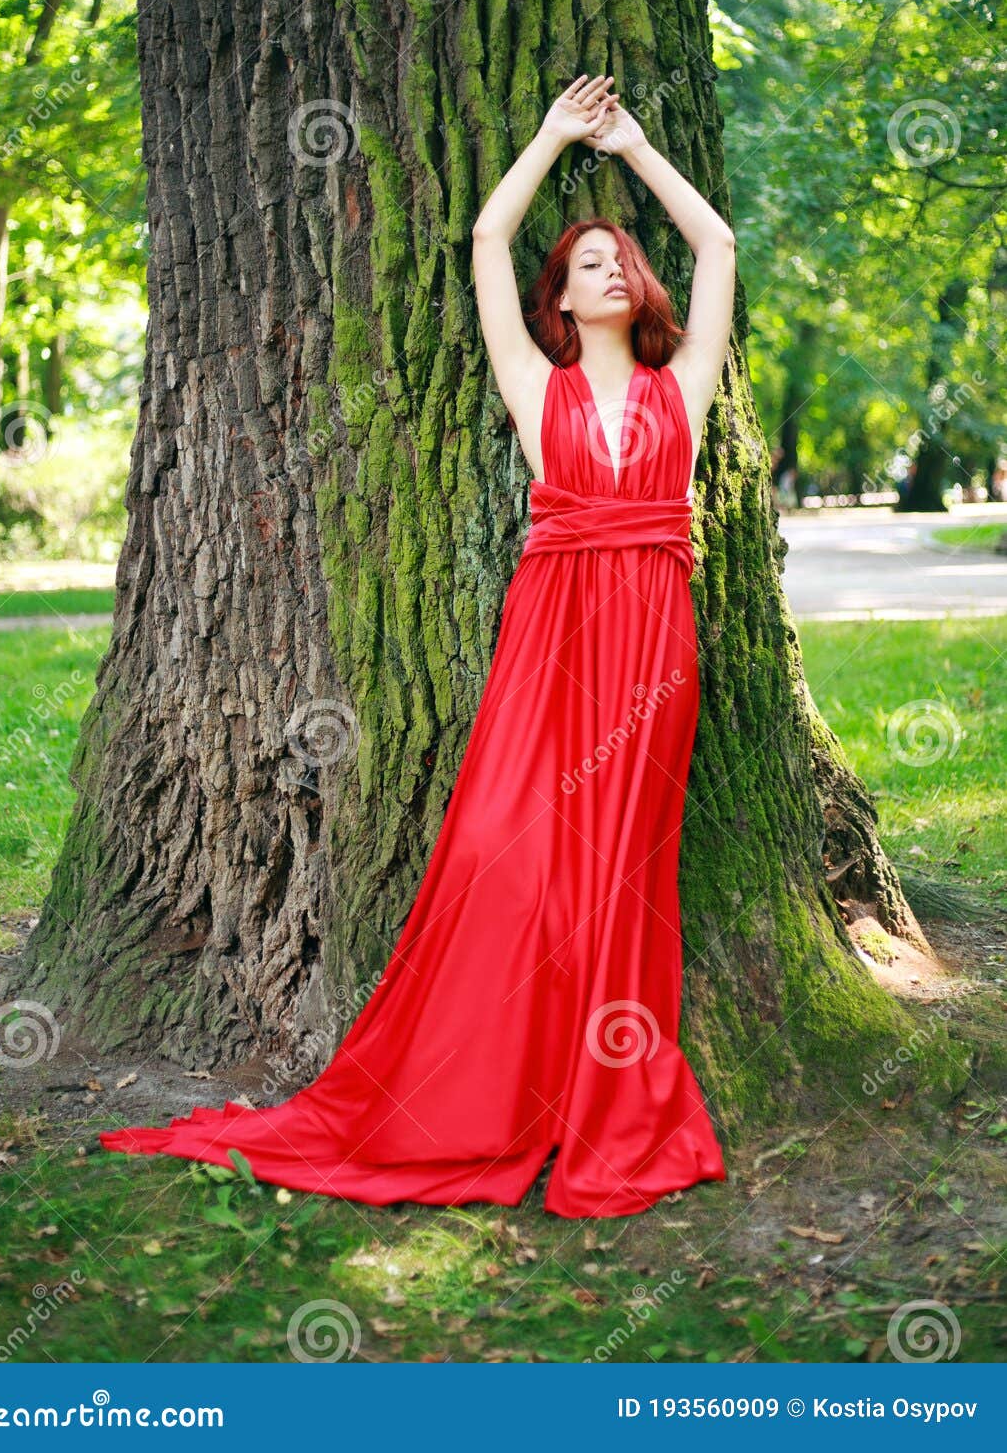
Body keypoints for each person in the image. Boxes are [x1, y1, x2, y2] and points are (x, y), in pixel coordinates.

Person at [100, 73, 736, 1218]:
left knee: (619, 880)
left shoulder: (679, 389)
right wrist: (549, 135)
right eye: (584, 261)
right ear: (560, 302)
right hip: (549, 645)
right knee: (513, 856)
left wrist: (633, 148)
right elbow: (491, 234)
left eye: (617, 259)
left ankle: (606, 1100)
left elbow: (716, 238)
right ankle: (486, 1092)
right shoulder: (533, 391)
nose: (606, 267)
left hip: (652, 654)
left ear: (638, 289)